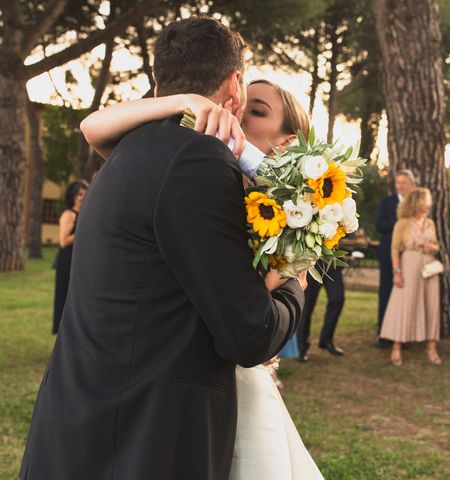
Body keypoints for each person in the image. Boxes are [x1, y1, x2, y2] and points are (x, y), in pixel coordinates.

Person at [21, 18, 312, 480]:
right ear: (234, 84)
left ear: (158, 80)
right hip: (140, 442)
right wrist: (296, 281)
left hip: (82, 425)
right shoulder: (197, 159)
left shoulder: (127, 149)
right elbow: (249, 335)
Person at [380, 188, 442, 366]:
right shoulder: (403, 223)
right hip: (409, 264)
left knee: (432, 305)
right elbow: (394, 249)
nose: (428, 204)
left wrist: (433, 247)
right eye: (425, 200)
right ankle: (396, 347)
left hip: (429, 266)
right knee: (404, 304)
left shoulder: (430, 223)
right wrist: (397, 272)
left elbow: (437, 245)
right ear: (416, 202)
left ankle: (431, 347)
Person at [375, 170, 415, 348]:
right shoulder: (387, 202)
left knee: (406, 295)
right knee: (386, 293)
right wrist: (399, 221)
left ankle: (403, 336)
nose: (401, 186)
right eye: (398, 183)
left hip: (410, 255)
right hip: (388, 254)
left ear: (411, 184)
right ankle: (384, 335)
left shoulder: (416, 204)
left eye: (404, 183)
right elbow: (379, 225)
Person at [52, 180, 88, 334]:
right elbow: (63, 240)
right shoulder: (69, 214)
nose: (82, 196)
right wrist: (83, 231)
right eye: (79, 194)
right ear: (73, 196)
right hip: (67, 260)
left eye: (84, 193)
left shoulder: (84, 214)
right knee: (65, 295)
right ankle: (62, 331)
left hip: (79, 260)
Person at [297, 263, 345, 362]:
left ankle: (326, 340)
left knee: (337, 299)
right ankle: (301, 347)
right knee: (307, 306)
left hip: (333, 264)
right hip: (311, 265)